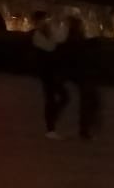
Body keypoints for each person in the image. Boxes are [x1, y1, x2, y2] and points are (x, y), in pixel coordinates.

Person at [31, 10, 69, 139]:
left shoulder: (42, 32)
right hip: (48, 71)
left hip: (50, 70)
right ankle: (51, 127)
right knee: (54, 98)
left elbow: (59, 40)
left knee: (58, 97)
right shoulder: (39, 34)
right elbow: (55, 43)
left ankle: (52, 124)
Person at [62, 16, 101, 141]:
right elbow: (79, 55)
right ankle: (85, 128)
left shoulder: (73, 38)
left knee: (89, 101)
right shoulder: (75, 38)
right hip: (83, 74)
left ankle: (85, 127)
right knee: (88, 101)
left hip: (81, 74)